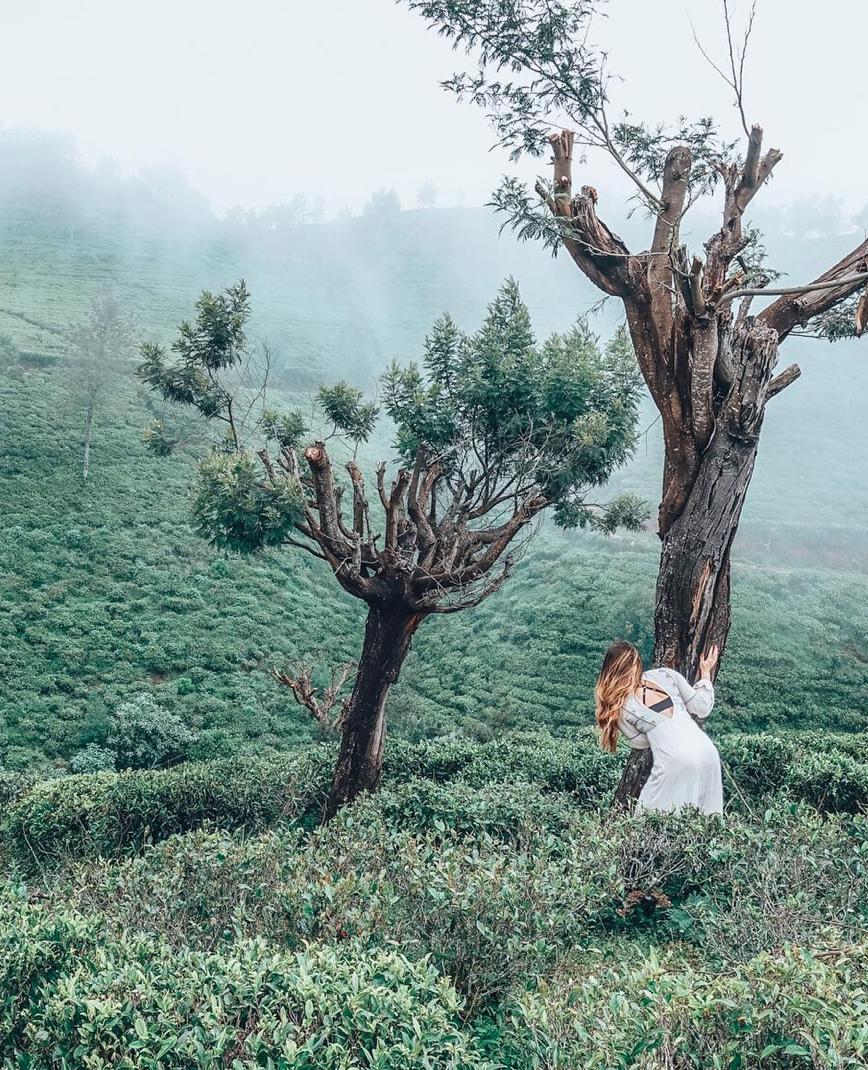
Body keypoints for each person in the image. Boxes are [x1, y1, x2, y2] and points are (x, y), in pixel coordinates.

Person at [595, 641, 723, 815]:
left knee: (647, 817)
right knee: (706, 818)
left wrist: (658, 732)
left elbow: (641, 743)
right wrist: (705, 672)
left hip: (675, 759)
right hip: (707, 752)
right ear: (637, 663)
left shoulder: (620, 707)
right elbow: (702, 707)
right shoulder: (666, 675)